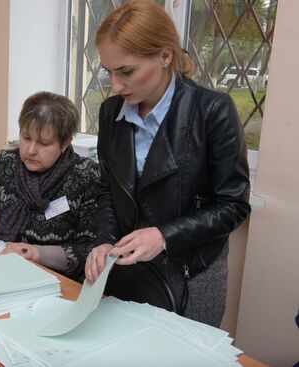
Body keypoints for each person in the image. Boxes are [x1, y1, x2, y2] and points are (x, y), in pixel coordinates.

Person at [84, 1, 251, 327]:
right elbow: (107, 188)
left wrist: (164, 235)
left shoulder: (212, 110)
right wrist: (103, 239)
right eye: (109, 71)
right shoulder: (111, 114)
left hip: (191, 274)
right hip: (129, 270)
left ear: (164, 55)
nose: (115, 86)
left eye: (126, 71)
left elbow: (233, 206)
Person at [0, 91, 99, 280]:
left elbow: (90, 250)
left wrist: (37, 253)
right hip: (2, 271)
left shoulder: (86, 175)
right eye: (26, 138)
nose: (31, 150)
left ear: (65, 143)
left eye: (44, 143)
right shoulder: (6, 163)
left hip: (55, 281)